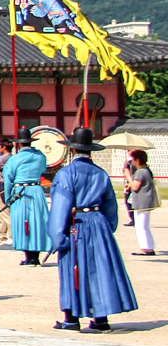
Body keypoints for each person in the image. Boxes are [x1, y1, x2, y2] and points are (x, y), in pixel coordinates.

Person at [48, 127, 139, 333]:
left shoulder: (66, 173)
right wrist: (107, 227)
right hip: (98, 222)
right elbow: (110, 205)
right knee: (100, 269)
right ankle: (100, 318)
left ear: (72, 150)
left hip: (76, 222)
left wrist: (57, 236)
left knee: (73, 268)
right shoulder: (101, 173)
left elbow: (60, 206)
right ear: (91, 151)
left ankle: (71, 318)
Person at [2, 131, 52, 265]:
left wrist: (8, 198)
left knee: (23, 222)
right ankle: (35, 255)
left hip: (20, 191)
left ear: (18, 143)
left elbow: (8, 178)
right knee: (37, 222)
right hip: (36, 190)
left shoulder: (15, 159)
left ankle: (28, 256)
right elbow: (42, 169)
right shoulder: (40, 156)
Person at [127, 150, 157, 256]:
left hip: (142, 203)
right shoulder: (146, 170)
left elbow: (135, 186)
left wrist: (128, 176)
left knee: (141, 226)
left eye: (133, 160)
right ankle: (149, 246)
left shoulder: (140, 172)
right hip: (145, 202)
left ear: (138, 160)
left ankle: (146, 248)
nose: (132, 162)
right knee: (144, 225)